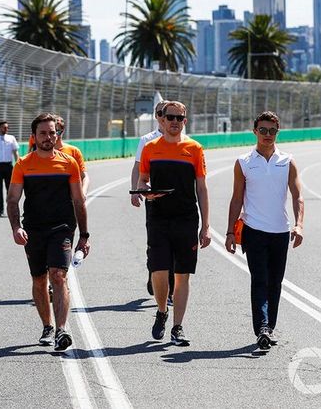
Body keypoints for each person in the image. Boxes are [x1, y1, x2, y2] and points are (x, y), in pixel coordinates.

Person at [7, 113, 90, 352]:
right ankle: (47, 326)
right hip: (33, 228)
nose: (48, 137)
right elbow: (13, 200)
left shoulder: (68, 163)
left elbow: (78, 201)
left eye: (52, 132)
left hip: (62, 228)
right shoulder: (23, 164)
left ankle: (62, 330)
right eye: (43, 133)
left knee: (58, 275)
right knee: (39, 278)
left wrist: (84, 236)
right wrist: (16, 227)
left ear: (57, 134)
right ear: (33, 137)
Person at [225, 111, 304, 350]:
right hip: (254, 230)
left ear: (277, 133)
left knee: (275, 282)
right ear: (255, 132)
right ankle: (261, 327)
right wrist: (230, 232)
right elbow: (236, 198)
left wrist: (299, 225)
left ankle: (269, 327)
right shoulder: (244, 163)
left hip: (280, 232)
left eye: (272, 131)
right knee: (259, 280)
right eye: (263, 130)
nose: (267, 135)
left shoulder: (287, 161)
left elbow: (298, 196)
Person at [137, 100, 211, 346]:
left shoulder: (195, 148)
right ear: (162, 119)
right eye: (171, 117)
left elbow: (201, 187)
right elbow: (143, 180)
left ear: (185, 121)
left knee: (182, 275)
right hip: (158, 218)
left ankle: (177, 327)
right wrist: (144, 191)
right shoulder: (150, 148)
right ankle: (161, 311)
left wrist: (206, 225)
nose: (175, 122)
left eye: (180, 118)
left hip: (186, 219)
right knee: (159, 271)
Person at [130, 99, 175, 305]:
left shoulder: (183, 139)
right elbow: (138, 166)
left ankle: (171, 290)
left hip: (177, 199)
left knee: (175, 245)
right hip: (153, 199)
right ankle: (153, 272)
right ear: (158, 117)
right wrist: (135, 192)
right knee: (154, 243)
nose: (164, 117)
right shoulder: (147, 140)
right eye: (160, 113)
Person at [54, 115, 90, 196]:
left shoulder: (73, 151)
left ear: (63, 130)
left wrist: (83, 194)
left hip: (70, 200)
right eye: (52, 131)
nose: (55, 134)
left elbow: (84, 176)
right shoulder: (42, 152)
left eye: (58, 131)